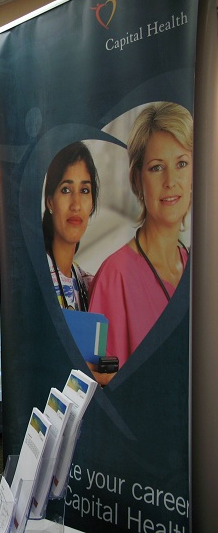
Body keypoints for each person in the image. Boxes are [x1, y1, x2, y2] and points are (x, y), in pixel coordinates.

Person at [89, 102, 192, 384]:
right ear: (137, 179)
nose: (171, 181)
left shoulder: (197, 268)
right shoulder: (115, 277)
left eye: (182, 164)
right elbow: (105, 389)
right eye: (157, 167)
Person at [42, 141, 100, 311]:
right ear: (50, 202)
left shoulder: (90, 287)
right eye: (66, 190)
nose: (76, 205)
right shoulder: (34, 276)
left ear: (92, 204)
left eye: (84, 190)